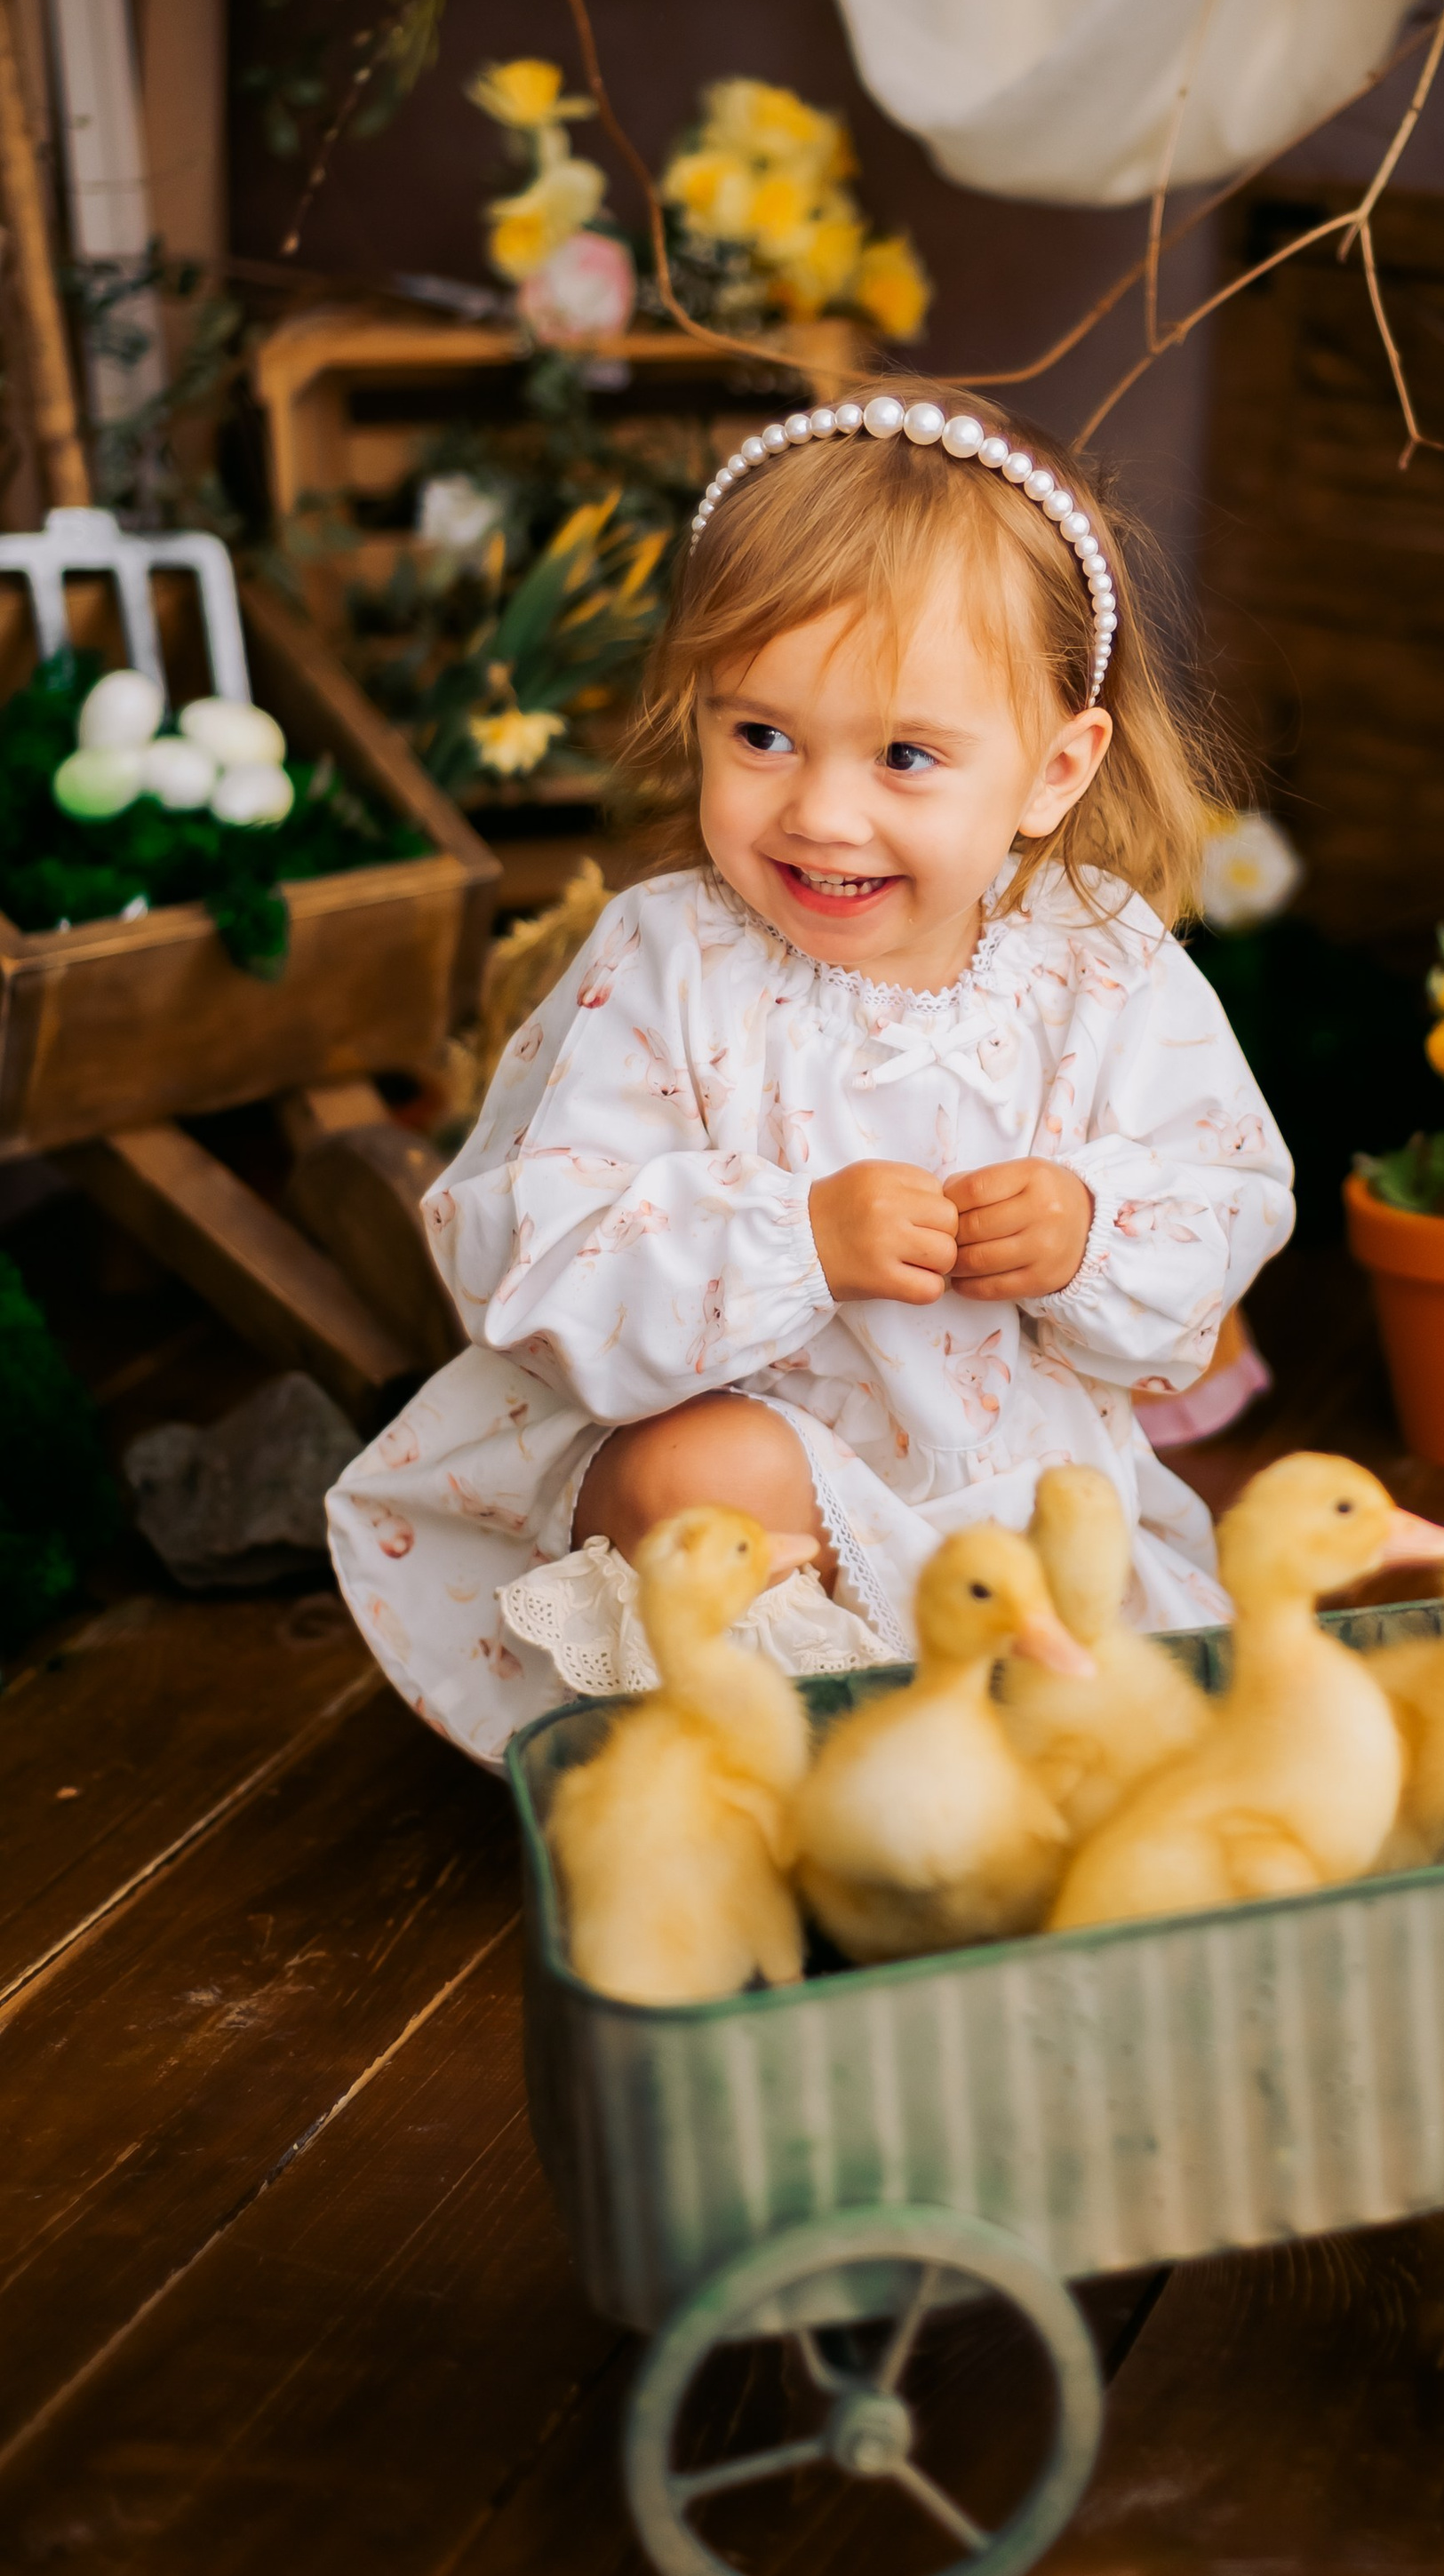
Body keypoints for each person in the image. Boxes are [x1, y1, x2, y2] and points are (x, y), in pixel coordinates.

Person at [326, 382, 1295, 1764]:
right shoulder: (665, 961)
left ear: (1052, 771)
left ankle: (971, 1753)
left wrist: (1089, 1231)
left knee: (1090, 1714)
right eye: (762, 735)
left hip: (1010, 1501)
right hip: (756, 1481)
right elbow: (533, 1252)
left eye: (907, 756)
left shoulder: (1098, 966)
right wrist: (795, 1239)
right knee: (694, 1473)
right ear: (700, 711)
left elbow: (1226, 1197)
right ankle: (776, 1761)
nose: (822, 812)